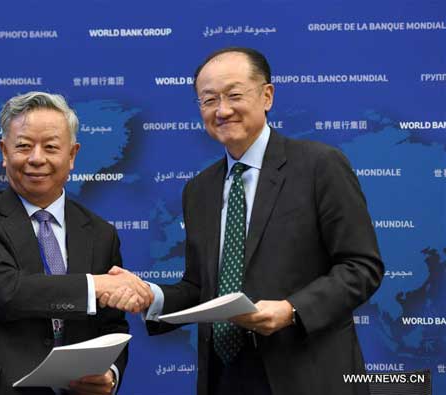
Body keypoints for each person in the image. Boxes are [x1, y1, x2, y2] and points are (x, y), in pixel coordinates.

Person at [102, 47, 384, 395]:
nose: (222, 110)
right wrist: (150, 297)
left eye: (234, 95)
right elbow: (200, 288)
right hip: (224, 378)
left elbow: (361, 266)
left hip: (304, 373)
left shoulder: (319, 166)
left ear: (267, 96)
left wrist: (292, 309)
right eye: (209, 100)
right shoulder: (199, 189)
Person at [0, 91, 152, 395]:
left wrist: (110, 373)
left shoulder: (100, 232)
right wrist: (96, 286)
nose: (36, 158)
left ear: (72, 156)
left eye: (51, 147)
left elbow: (112, 327)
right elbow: (6, 292)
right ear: (4, 151)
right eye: (24, 146)